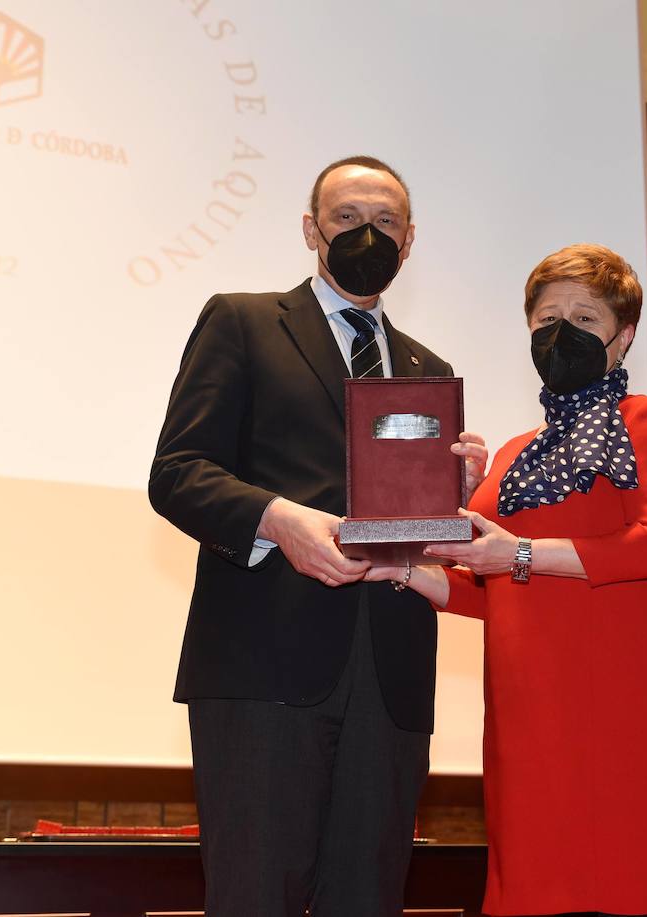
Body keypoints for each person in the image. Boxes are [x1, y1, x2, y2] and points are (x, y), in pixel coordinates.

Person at [148, 155, 486, 917]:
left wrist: (452, 498)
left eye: (386, 221)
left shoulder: (430, 369)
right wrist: (277, 519)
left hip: (391, 675)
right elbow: (177, 472)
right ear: (310, 228)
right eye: (346, 218)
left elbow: (413, 531)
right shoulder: (240, 321)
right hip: (264, 670)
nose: (366, 234)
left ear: (410, 240)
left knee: (367, 900)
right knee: (255, 899)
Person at [368, 243, 647, 916]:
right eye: (547, 319)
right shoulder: (512, 454)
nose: (561, 333)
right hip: (524, 708)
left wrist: (518, 554)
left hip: (614, 702)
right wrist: (413, 569)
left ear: (624, 334)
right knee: (530, 884)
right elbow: (487, 584)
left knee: (615, 880)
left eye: (583, 316)